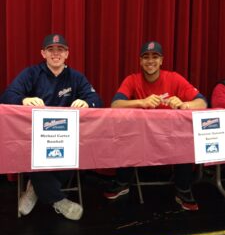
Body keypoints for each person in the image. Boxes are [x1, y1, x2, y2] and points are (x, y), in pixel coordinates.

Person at [0, 34, 102, 220]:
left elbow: (96, 99)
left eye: (60, 50)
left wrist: (87, 102)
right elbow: (7, 96)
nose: (56, 54)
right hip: (35, 138)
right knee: (36, 156)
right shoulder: (31, 73)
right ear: (43, 53)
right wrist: (23, 100)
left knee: (71, 156)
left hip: (66, 137)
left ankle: (35, 189)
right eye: (51, 50)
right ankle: (60, 201)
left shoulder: (76, 77)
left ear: (67, 54)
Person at [104, 41, 207, 211]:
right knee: (125, 137)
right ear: (140, 61)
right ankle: (122, 182)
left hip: (171, 137)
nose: (150, 61)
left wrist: (184, 105)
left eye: (155, 57)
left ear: (161, 61)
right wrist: (141, 102)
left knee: (187, 140)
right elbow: (115, 104)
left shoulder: (174, 77)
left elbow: (202, 102)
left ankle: (183, 188)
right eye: (146, 57)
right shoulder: (132, 79)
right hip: (140, 136)